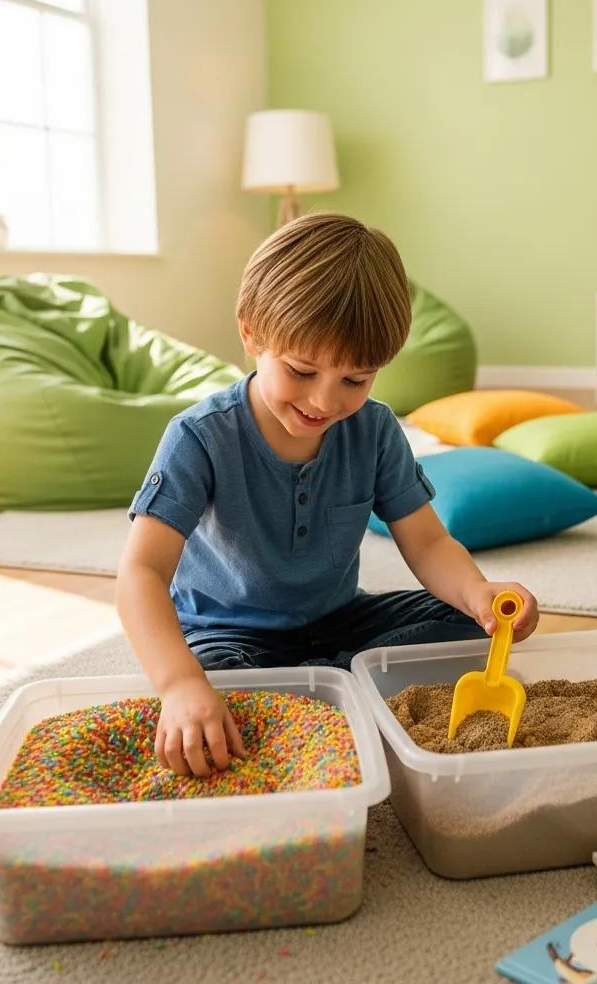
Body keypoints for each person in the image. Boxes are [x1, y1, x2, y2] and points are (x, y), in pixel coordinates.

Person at [116, 212, 538, 778]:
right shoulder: (199, 436)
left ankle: (325, 683)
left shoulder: (377, 430)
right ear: (251, 334)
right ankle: (343, 686)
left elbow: (428, 542)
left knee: (469, 629)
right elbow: (140, 574)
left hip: (341, 621)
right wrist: (180, 684)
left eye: (355, 381)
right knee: (215, 686)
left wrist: (480, 594)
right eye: (300, 370)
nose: (324, 401)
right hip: (227, 636)